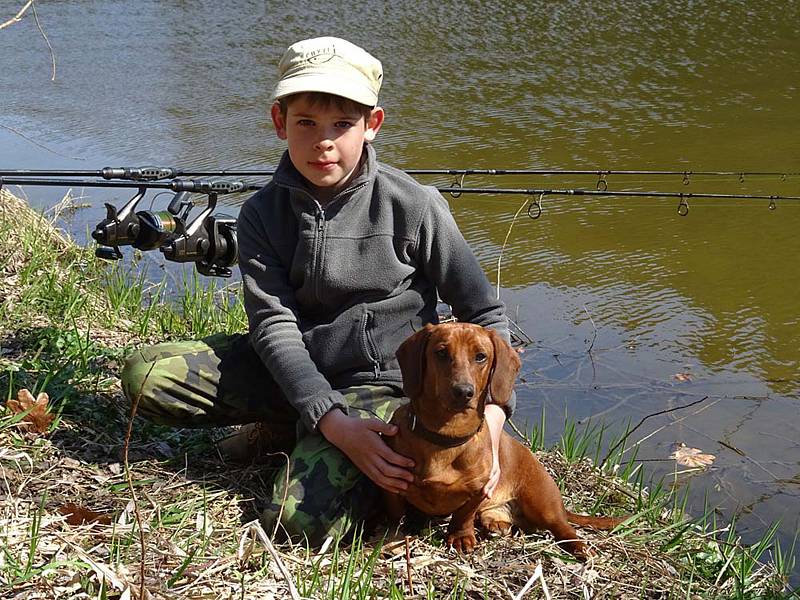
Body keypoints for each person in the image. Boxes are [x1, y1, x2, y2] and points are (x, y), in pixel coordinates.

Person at [120, 36, 515, 545]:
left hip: (376, 385)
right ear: (279, 122)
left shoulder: (416, 205)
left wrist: (494, 418)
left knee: (297, 522)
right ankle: (294, 425)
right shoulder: (262, 213)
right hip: (291, 371)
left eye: (342, 125)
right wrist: (329, 420)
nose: (323, 142)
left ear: (372, 126)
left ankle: (313, 447)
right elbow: (274, 327)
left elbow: (483, 313)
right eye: (306, 123)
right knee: (145, 375)